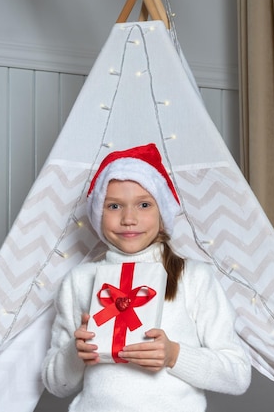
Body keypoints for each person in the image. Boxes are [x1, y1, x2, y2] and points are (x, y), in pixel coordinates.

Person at [41, 143, 251, 411]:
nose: (129, 218)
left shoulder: (195, 277)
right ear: (98, 213)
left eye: (143, 204)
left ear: (162, 213)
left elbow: (238, 375)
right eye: (114, 206)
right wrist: (75, 353)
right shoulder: (79, 281)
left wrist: (175, 354)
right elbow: (56, 384)